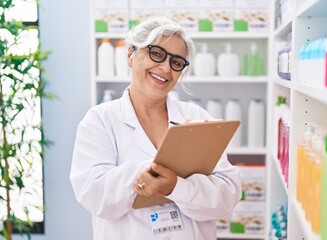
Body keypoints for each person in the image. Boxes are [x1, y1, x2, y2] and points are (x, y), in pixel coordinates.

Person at [70, 16, 242, 240]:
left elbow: (228, 194)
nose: (165, 68)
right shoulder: (100, 121)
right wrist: (145, 175)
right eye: (157, 54)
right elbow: (92, 194)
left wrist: (176, 187)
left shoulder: (196, 117)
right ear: (131, 54)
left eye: (177, 62)